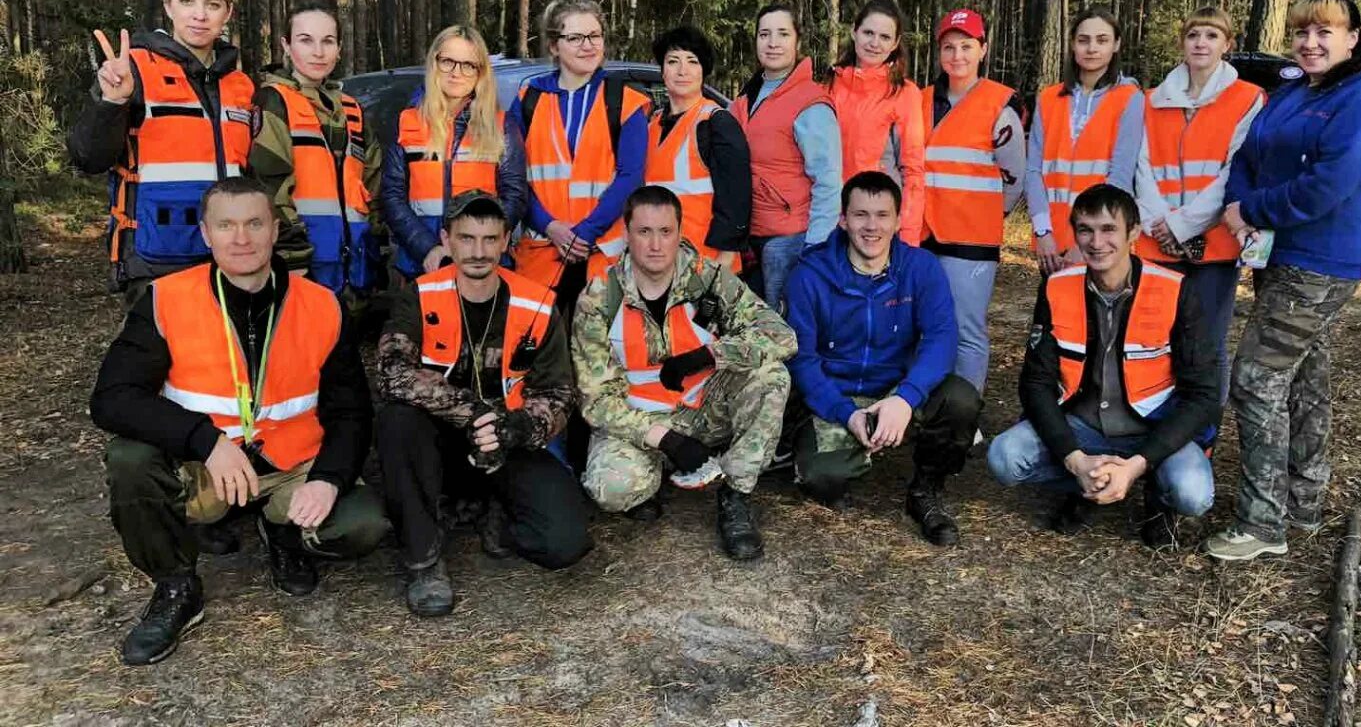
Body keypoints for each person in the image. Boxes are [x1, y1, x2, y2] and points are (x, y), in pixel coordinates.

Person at [90, 178, 388, 665]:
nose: (241, 238)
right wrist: (205, 440)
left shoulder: (322, 304)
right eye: (226, 225)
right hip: (206, 467)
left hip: (290, 464)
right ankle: (175, 587)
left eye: (254, 223)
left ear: (274, 229)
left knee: (363, 524)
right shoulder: (166, 300)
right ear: (206, 235)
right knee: (129, 458)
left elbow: (351, 410)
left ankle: (284, 534)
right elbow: (112, 399)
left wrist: (330, 481)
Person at [1206, 0, 1361, 562]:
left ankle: (1263, 522)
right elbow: (1248, 154)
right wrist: (1241, 206)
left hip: (1318, 262)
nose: (1310, 42)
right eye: (1302, 33)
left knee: (1256, 379)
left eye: (1325, 32)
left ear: (1352, 38)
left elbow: (1333, 182)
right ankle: (1304, 503)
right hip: (1278, 256)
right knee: (1305, 379)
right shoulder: (1294, 91)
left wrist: (1256, 209)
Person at [376, 190, 592, 616]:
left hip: (507, 443)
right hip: (437, 441)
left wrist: (516, 428)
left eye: (490, 239)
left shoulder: (537, 303)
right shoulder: (417, 296)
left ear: (507, 241)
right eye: (467, 238)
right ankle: (424, 558)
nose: (478, 252)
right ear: (447, 239)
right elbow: (390, 372)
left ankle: (494, 512)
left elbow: (559, 394)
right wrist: (473, 412)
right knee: (396, 422)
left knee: (566, 543)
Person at [987, 185, 1220, 547]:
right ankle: (1088, 485)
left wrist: (1139, 462)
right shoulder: (1056, 287)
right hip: (1083, 427)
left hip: (1153, 429)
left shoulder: (1176, 290)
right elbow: (1035, 383)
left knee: (1193, 495)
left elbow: (1204, 395)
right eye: (1085, 230)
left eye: (1108, 229)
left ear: (1133, 233)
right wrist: (1075, 460)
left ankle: (1153, 494)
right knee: (1005, 458)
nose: (1096, 242)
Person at [572, 186, 795, 560]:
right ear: (627, 235)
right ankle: (656, 471)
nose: (656, 245)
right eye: (644, 232)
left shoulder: (707, 279)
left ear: (679, 233)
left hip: (705, 409)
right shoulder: (599, 298)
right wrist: (665, 439)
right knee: (611, 489)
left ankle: (736, 494)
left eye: (665, 232)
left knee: (772, 377)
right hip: (639, 421)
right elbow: (596, 401)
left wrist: (710, 354)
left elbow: (781, 336)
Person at [784, 171, 980, 546]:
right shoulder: (810, 275)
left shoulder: (920, 267)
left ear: (898, 219)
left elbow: (942, 337)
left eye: (882, 215)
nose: (871, 227)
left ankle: (926, 489)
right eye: (860, 215)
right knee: (820, 480)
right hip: (839, 396)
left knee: (961, 399)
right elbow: (803, 359)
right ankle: (850, 445)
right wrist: (847, 414)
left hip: (897, 387)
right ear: (843, 219)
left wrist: (905, 399)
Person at [67, 0, 254, 304]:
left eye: (212, 5)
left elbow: (251, 174)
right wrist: (111, 102)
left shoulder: (240, 85)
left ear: (227, 14)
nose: (199, 15)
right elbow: (87, 157)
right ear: (168, 6)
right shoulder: (134, 71)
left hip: (231, 256)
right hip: (156, 262)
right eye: (187, 1)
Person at [1134, 7, 1265, 400]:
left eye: (1211, 35)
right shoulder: (1151, 99)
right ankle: (1156, 431)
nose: (1201, 43)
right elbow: (1140, 164)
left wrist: (1183, 225)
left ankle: (1203, 436)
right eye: (1193, 35)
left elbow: (1234, 171)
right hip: (1155, 240)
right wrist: (1157, 222)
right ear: (1182, 43)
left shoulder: (1247, 99)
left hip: (1214, 242)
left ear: (1227, 44)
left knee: (1206, 345)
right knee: (1156, 340)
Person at [510, 0, 651, 309]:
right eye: (574, 37)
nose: (587, 45)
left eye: (594, 36)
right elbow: (514, 178)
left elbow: (631, 176)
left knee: (600, 351)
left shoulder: (625, 100)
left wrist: (585, 232)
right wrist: (551, 227)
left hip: (602, 253)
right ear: (553, 46)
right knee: (537, 349)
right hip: (541, 251)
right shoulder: (527, 100)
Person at [921, 7, 1026, 394]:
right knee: (925, 325)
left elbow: (1015, 176)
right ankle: (925, 406)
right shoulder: (921, 100)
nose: (957, 56)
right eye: (949, 47)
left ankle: (965, 413)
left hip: (972, 242)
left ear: (983, 49)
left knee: (967, 330)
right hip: (922, 235)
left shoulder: (1000, 105)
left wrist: (985, 214)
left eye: (966, 46)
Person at [248, 3, 382, 297]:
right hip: (302, 266)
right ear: (286, 45)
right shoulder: (274, 102)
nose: (318, 52)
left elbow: (372, 186)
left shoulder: (352, 109)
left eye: (328, 41)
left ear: (339, 48)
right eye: (306, 40)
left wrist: (375, 244)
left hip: (354, 268)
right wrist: (291, 256)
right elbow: (267, 188)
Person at [381, 24, 525, 282]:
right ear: (434, 63)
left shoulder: (501, 124)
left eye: (468, 65)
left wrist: (479, 247)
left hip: (484, 264)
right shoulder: (407, 121)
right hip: (421, 262)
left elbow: (514, 195)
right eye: (448, 61)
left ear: (480, 72)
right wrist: (427, 247)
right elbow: (392, 196)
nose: (457, 73)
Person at [729, 3, 842, 314]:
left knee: (787, 332)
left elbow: (829, 181)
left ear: (797, 41)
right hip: (748, 238)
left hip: (789, 240)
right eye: (764, 34)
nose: (773, 42)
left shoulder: (810, 102)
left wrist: (816, 247)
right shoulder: (745, 97)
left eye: (782, 34)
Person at [1024, 6, 1144, 275]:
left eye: (1102, 40)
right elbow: (1033, 171)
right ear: (1072, 45)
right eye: (1083, 40)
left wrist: (1087, 243)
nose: (1092, 48)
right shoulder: (1049, 98)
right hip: (1052, 244)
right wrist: (1042, 232)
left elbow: (1121, 176)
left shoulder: (1129, 97)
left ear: (1116, 45)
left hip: (1101, 246)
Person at [644, 25, 751, 269]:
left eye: (692, 61)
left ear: (703, 71)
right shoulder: (651, 125)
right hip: (659, 262)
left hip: (705, 264)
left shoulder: (716, 122)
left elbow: (736, 202)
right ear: (662, 71)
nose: (682, 70)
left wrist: (722, 270)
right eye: (673, 61)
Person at [828, 0, 926, 246]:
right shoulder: (830, 85)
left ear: (895, 43)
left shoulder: (904, 93)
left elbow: (913, 169)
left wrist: (909, 237)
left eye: (884, 37)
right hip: (831, 219)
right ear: (854, 32)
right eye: (868, 33)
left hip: (877, 224)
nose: (874, 43)